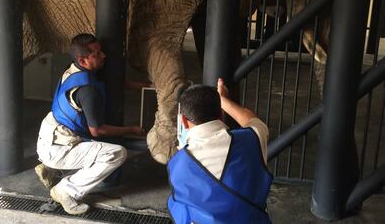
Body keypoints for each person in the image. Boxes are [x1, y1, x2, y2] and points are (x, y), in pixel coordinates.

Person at [35, 33, 145, 215]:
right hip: (59, 147)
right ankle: (65, 191)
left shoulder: (73, 70)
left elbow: (120, 83)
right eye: (97, 53)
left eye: (101, 50)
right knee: (116, 153)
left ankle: (52, 170)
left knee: (89, 141)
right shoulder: (87, 91)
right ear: (83, 59)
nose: (104, 56)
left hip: (51, 135)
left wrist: (147, 85)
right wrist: (132, 129)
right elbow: (97, 130)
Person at [167, 78, 273, 224]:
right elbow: (252, 120)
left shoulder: (178, 164)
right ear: (221, 115)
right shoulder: (253, 139)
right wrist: (223, 100)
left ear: (183, 121)